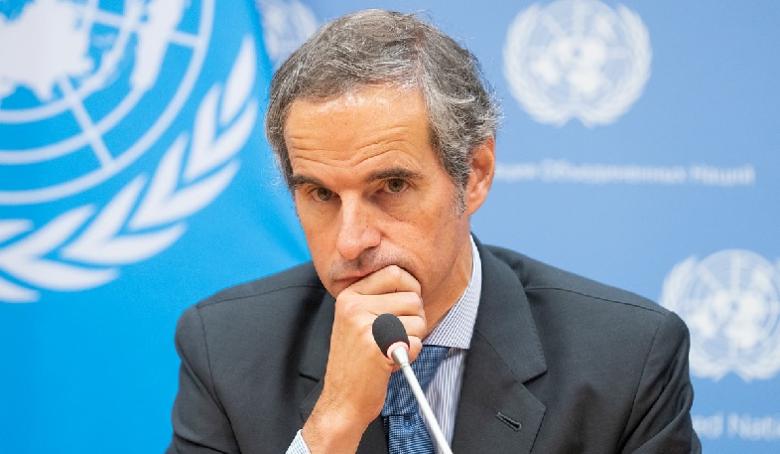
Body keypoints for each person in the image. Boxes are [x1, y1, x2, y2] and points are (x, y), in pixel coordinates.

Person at [167, 9, 700, 454]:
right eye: (321, 195)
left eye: (392, 186)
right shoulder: (226, 348)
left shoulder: (627, 359)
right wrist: (333, 423)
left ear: (476, 174)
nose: (351, 241)